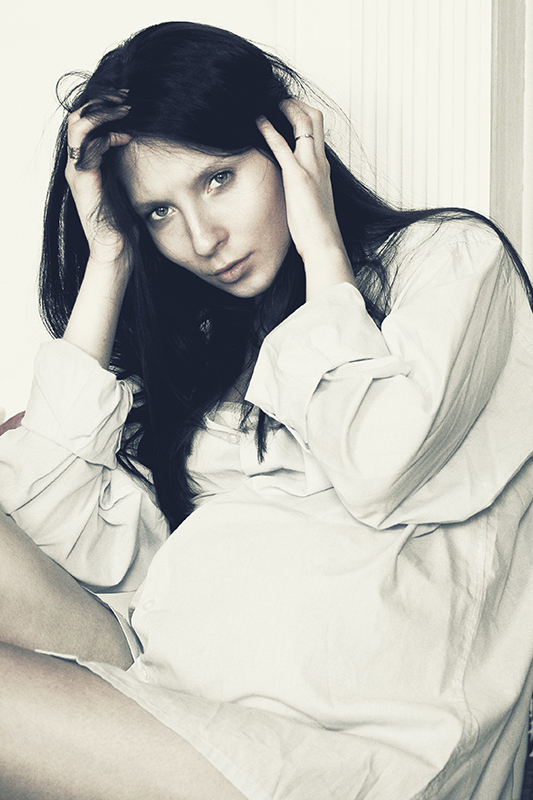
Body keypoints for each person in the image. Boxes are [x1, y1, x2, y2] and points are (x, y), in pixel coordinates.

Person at [0, 19, 532, 800]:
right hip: (175, 701)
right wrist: (109, 256)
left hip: (352, 757)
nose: (202, 238)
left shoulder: (448, 260)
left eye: (217, 179)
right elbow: (48, 531)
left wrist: (322, 249)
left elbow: (376, 464)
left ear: (288, 143)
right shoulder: (206, 352)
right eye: (158, 212)